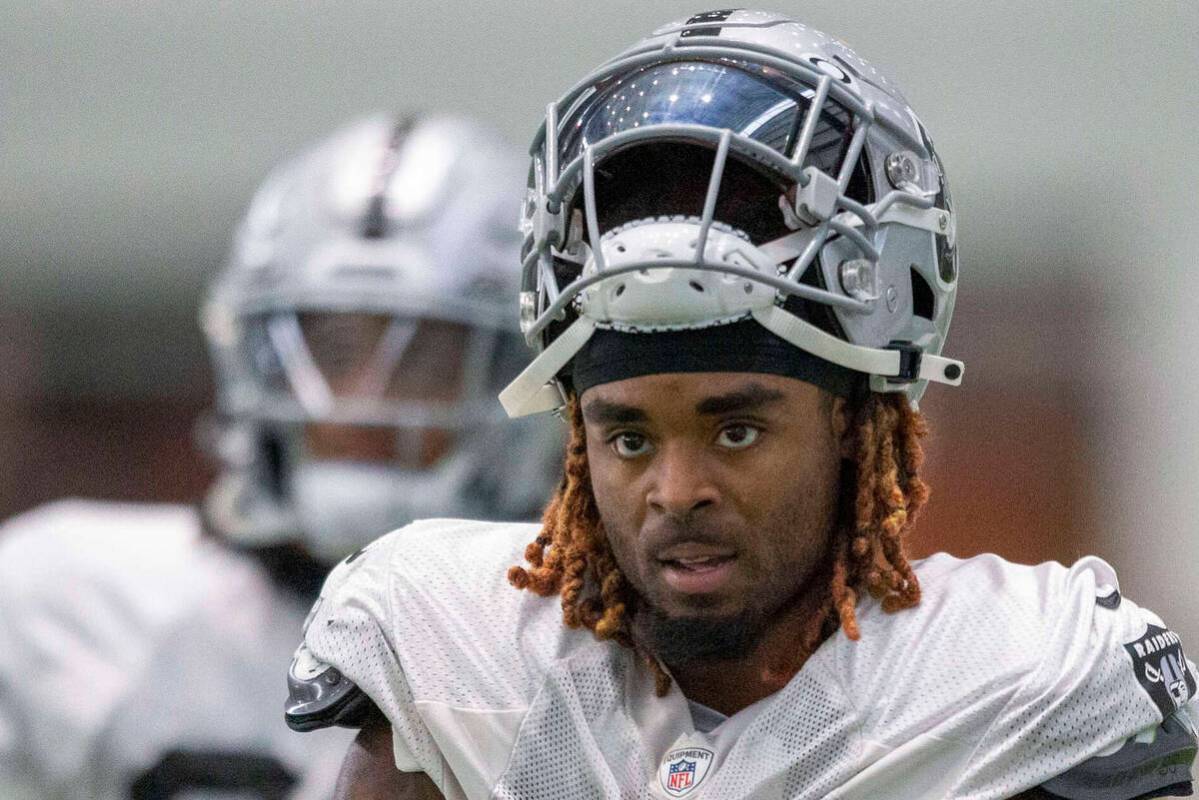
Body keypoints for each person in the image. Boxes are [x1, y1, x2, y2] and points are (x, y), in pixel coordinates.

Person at [287, 11, 1198, 800]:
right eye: (630, 436)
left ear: (852, 421)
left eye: (735, 428)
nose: (676, 491)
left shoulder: (1021, 677)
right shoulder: (447, 643)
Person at [0, 114, 560, 800]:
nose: (358, 402)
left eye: (423, 358)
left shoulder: (599, 645)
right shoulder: (64, 603)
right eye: (330, 352)